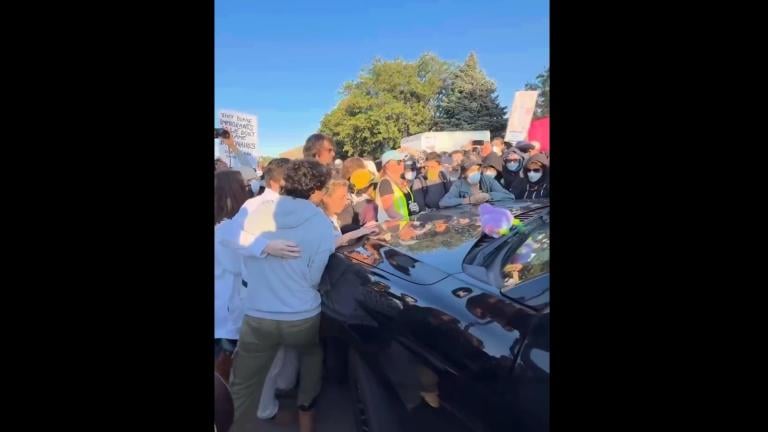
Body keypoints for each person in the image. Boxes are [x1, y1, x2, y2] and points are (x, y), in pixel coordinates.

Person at [229, 159, 336, 432]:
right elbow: (314, 278)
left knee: (244, 381)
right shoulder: (320, 223)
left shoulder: (256, 211)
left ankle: (232, 424)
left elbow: (234, 241)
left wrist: (264, 248)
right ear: (314, 189)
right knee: (311, 356)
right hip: (301, 315)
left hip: (258, 312)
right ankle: (305, 411)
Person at [321, 179, 379, 247]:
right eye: (341, 197)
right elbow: (331, 245)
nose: (345, 201)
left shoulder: (333, 218)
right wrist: (361, 232)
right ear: (326, 198)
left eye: (346, 197)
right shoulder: (320, 219)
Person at [439, 158, 515, 208]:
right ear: (464, 173)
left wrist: (489, 196)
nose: (476, 172)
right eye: (472, 170)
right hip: (468, 218)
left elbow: (509, 196)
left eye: (478, 169)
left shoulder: (487, 180)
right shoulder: (459, 184)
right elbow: (443, 202)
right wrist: (468, 200)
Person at [376, 150, 418, 222]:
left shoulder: (400, 182)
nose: (402, 164)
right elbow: (389, 210)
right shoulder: (385, 183)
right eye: (399, 162)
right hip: (393, 230)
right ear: (387, 165)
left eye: (403, 161)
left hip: (404, 228)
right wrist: (404, 221)